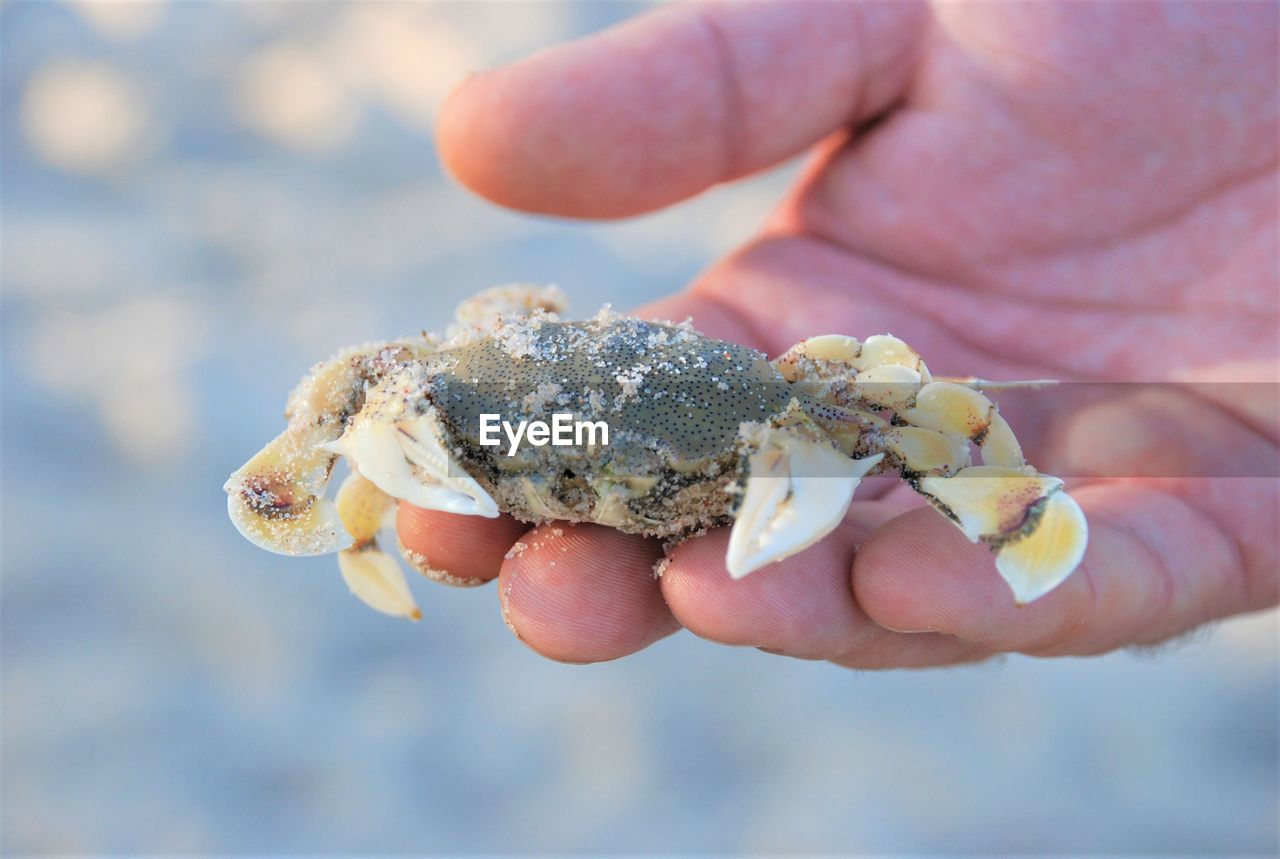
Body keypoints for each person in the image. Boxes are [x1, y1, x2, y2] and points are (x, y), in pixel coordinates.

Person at [398, 0, 1278, 666]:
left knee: (902, 406)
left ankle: (1010, 509)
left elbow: (932, 406)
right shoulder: (439, 382)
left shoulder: (796, 400)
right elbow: (354, 407)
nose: (589, 465)